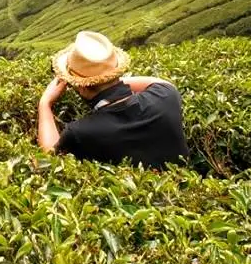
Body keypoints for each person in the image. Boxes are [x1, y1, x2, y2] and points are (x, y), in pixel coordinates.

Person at [37, 31, 189, 168]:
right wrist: (107, 80)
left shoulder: (80, 132)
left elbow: (50, 159)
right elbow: (158, 82)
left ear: (81, 86)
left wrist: (45, 103)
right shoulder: (166, 95)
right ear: (116, 71)